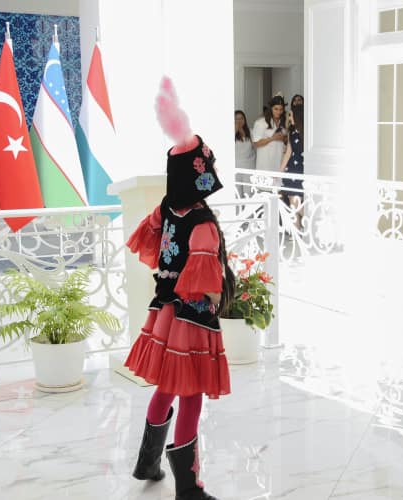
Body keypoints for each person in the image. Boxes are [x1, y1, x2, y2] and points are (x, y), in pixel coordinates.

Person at [126, 77, 234, 500]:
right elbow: (206, 280)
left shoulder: (167, 209)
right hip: (191, 316)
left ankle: (148, 463)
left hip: (165, 312)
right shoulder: (203, 222)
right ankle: (189, 487)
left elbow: (149, 238)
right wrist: (215, 302)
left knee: (167, 386)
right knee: (191, 395)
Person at [279, 104, 305, 228]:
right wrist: (279, 172)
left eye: (291, 115)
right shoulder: (291, 131)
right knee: (292, 204)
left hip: (302, 169)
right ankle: (296, 234)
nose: (289, 118)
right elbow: (288, 153)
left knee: (296, 203)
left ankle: (314, 221)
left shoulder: (306, 132)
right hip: (291, 169)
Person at [252, 94, 287, 181]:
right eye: (276, 109)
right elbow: (256, 144)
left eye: (281, 109)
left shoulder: (284, 123)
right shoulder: (260, 123)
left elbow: (286, 141)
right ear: (271, 108)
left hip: (279, 161)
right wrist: (272, 138)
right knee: (265, 187)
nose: (279, 112)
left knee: (279, 186)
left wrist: (283, 139)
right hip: (265, 164)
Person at [234, 110, 256, 199]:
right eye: (236, 119)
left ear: (245, 120)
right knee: (237, 194)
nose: (239, 121)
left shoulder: (250, 131)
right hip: (236, 168)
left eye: (241, 118)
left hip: (249, 167)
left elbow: (255, 145)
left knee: (248, 193)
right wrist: (235, 130)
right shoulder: (230, 132)